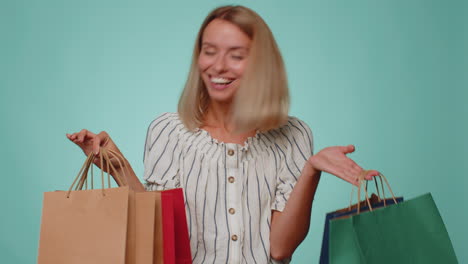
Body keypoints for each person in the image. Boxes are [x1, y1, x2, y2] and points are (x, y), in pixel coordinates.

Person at [66, 5, 378, 263]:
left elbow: (280, 249)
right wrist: (116, 165)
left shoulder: (293, 135)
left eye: (236, 55)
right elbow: (163, 238)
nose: (218, 66)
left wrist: (312, 169)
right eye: (209, 51)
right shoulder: (168, 131)